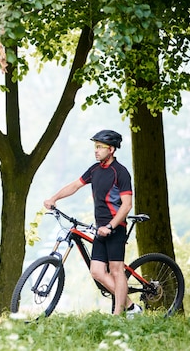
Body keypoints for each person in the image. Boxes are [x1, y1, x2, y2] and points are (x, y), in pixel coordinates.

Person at [43, 129, 142, 316]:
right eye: (95, 147)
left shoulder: (120, 173)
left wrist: (111, 226)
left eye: (99, 147)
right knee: (96, 271)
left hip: (116, 228)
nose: (96, 151)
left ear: (111, 149)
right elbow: (75, 185)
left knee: (116, 270)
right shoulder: (95, 170)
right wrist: (54, 198)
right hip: (100, 229)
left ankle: (117, 315)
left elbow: (127, 205)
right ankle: (131, 307)